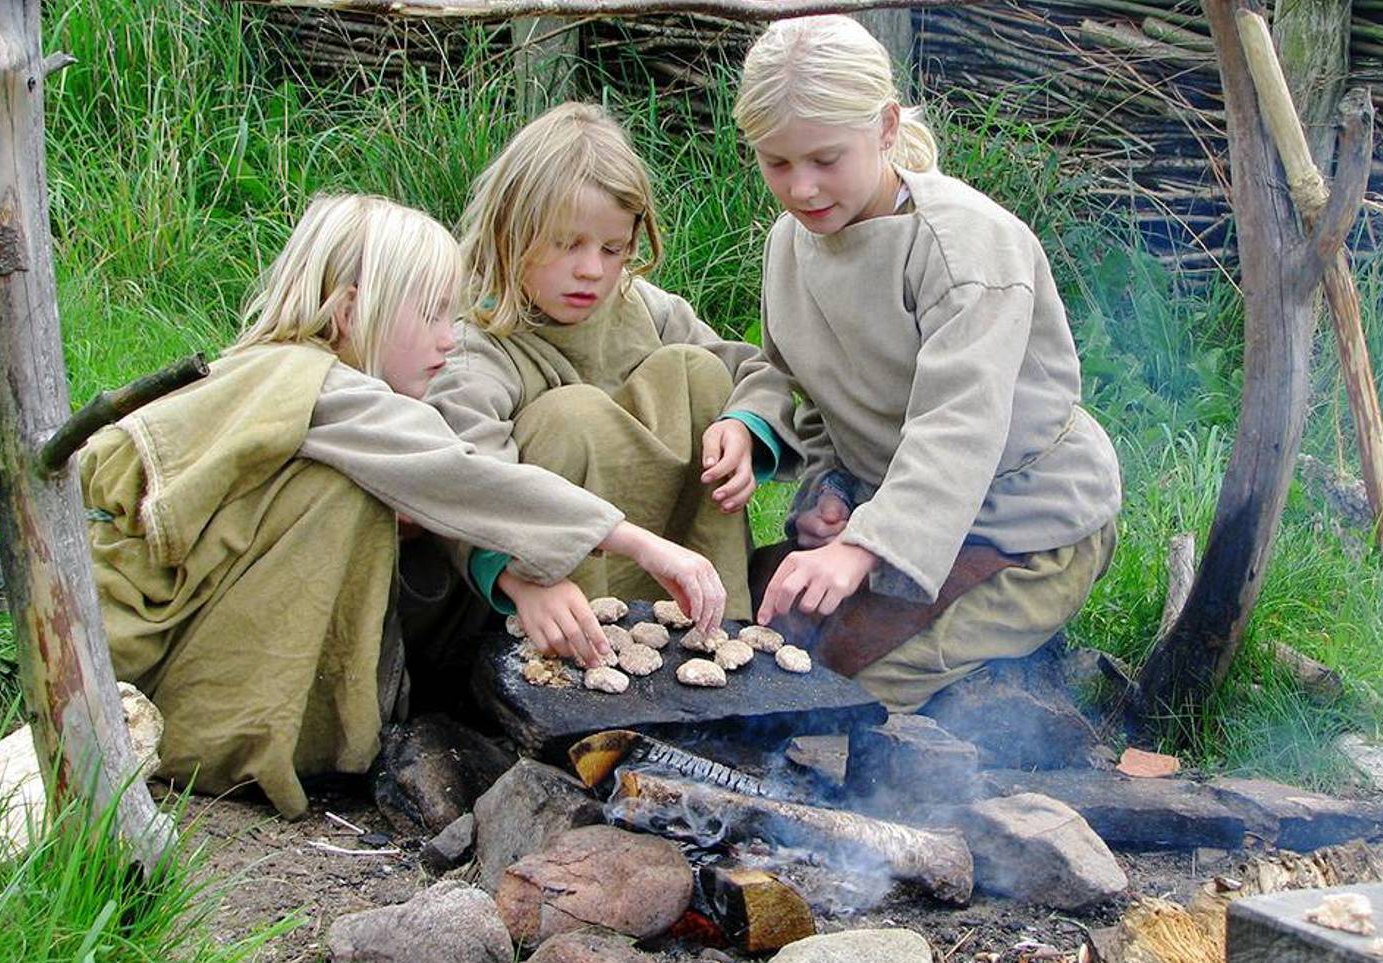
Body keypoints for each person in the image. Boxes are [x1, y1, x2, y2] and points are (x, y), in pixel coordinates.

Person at [82, 194, 725, 818]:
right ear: (353, 312)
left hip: (136, 623)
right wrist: (636, 541)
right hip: (147, 646)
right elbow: (458, 473)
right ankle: (238, 738)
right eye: (432, 316)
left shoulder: (290, 372)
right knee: (339, 495)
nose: (450, 340)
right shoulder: (323, 386)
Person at [704, 15, 1123, 713]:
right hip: (898, 514)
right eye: (778, 163)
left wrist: (862, 548)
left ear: (886, 126)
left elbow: (958, 429)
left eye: (826, 159)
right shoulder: (791, 243)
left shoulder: (964, 249)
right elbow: (806, 385)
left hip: (1023, 528)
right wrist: (832, 493)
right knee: (766, 643)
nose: (802, 188)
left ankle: (1009, 675)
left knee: (848, 697)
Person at [424, 102, 773, 632]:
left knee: (698, 370)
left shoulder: (645, 307)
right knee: (574, 414)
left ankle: (717, 629)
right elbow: (466, 479)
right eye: (567, 245)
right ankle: (583, 659)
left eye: (612, 249)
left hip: (669, 560)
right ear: (510, 232)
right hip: (536, 590)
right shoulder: (475, 340)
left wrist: (743, 426)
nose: (592, 270)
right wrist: (520, 579)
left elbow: (756, 372)